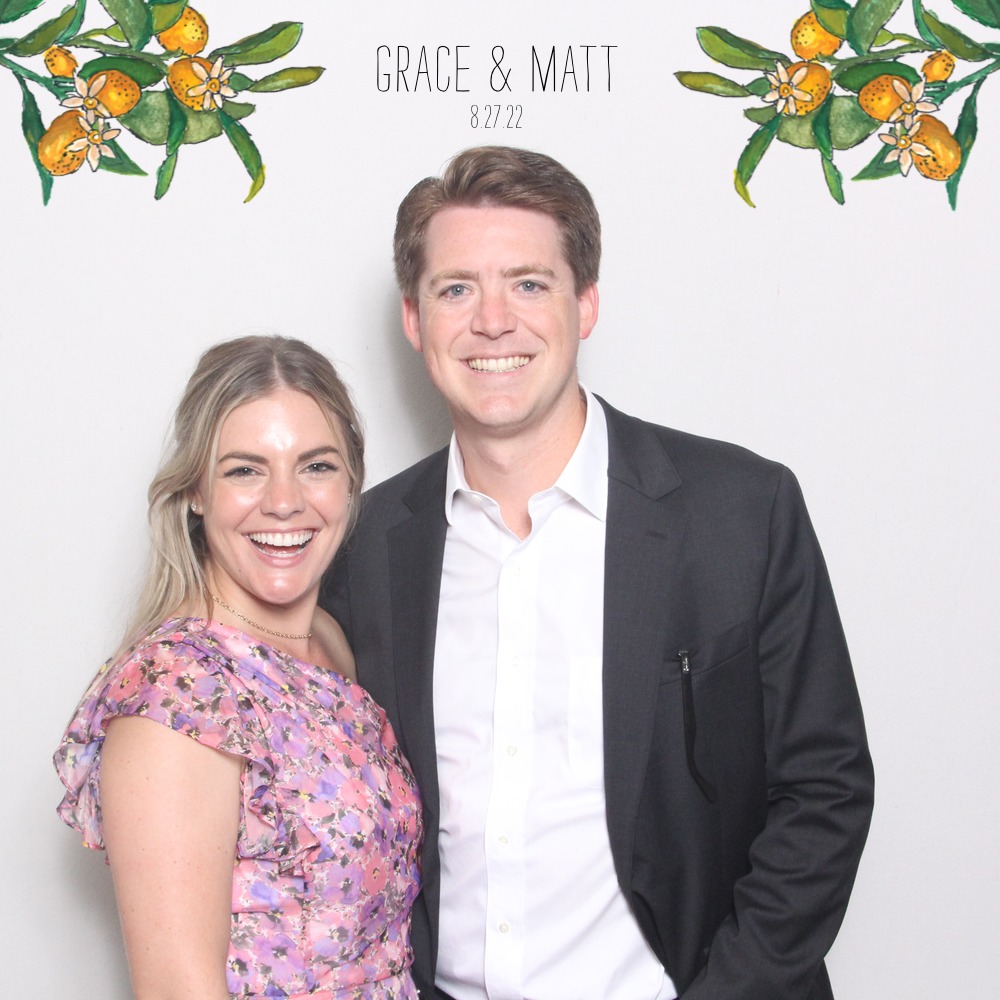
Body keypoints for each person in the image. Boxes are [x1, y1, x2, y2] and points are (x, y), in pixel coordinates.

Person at [322, 146, 874, 1000]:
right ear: (414, 319)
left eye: (529, 283)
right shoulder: (359, 547)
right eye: (456, 289)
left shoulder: (740, 512)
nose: (493, 321)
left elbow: (825, 789)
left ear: (585, 305)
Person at [54, 335, 422, 999]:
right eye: (245, 470)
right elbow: (178, 989)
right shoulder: (178, 692)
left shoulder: (330, 640)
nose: (284, 501)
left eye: (316, 466)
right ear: (196, 491)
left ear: (351, 484)